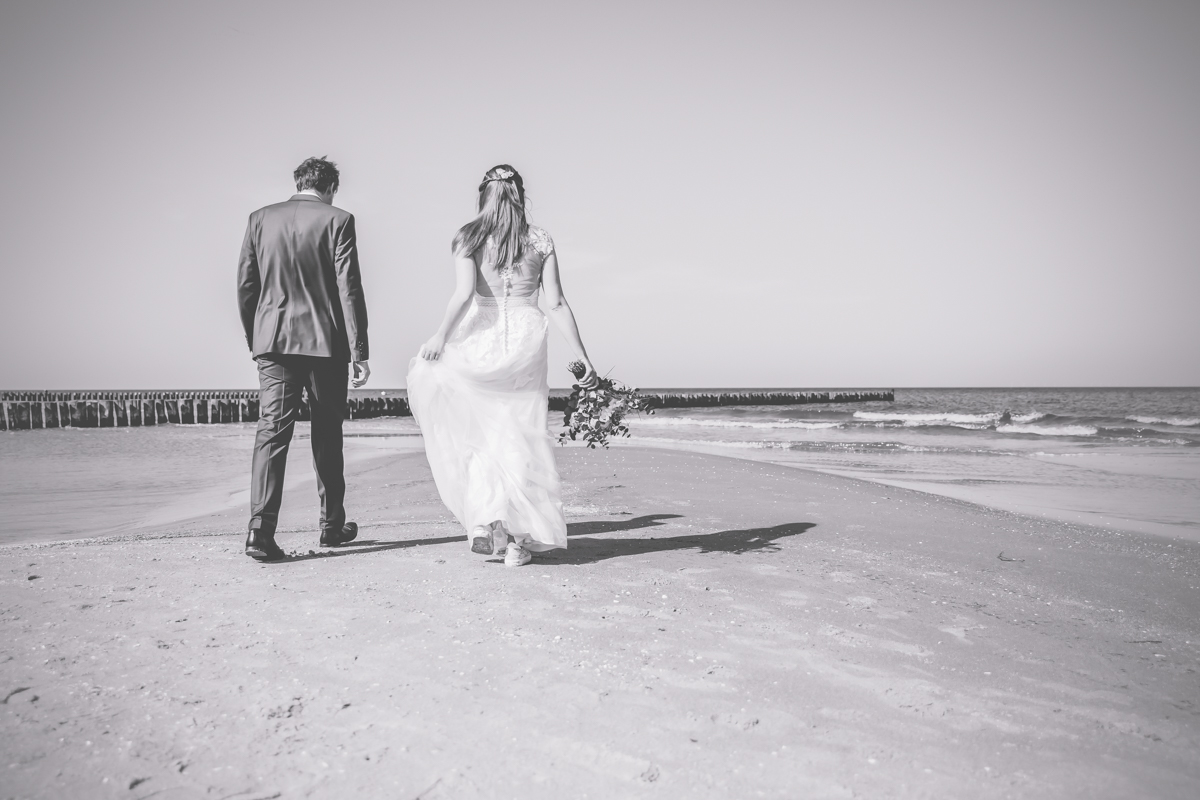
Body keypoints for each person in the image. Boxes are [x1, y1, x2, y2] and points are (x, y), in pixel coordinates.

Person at [407, 165, 597, 567]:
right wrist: (582, 355)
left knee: (479, 434)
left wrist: (440, 336)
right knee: (522, 435)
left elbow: (462, 295)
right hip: (527, 340)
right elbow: (557, 302)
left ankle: (482, 521)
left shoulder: (469, 237)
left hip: (482, 336)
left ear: (484, 195)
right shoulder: (540, 239)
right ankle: (517, 543)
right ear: (520, 195)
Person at [236, 156, 371, 561]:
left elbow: (246, 285)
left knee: (272, 431)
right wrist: (359, 349)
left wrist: (255, 337)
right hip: (325, 344)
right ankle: (331, 526)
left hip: (272, 342)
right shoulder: (338, 220)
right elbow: (349, 288)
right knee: (327, 433)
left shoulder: (259, 219)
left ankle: (260, 530)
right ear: (331, 188)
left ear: (298, 182)